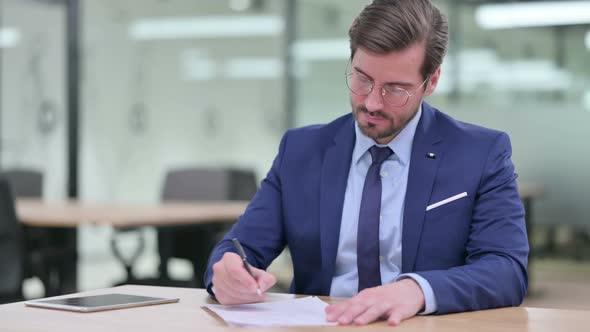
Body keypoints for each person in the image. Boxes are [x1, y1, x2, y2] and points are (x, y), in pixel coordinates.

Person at [204, 0, 528, 326]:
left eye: (395, 89)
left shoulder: (480, 152)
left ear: (431, 82)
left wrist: (417, 290)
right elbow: (240, 246)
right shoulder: (301, 151)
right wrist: (229, 270)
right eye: (362, 80)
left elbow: (506, 269)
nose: (372, 102)